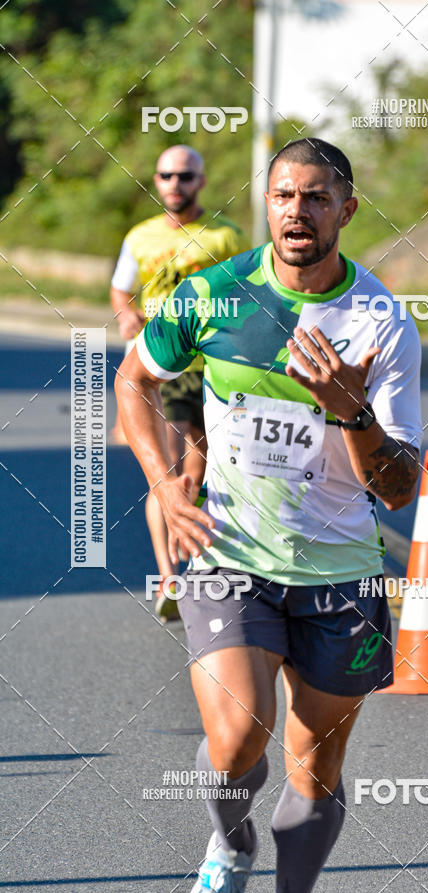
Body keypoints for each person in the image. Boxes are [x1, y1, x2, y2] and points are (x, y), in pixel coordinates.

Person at [115, 137, 422, 893]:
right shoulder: (213, 295)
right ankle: (230, 841)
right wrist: (165, 483)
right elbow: (134, 380)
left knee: (315, 768)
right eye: (285, 194)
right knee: (235, 739)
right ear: (266, 204)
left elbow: (399, 490)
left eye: (317, 197)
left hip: (340, 573)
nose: (298, 210)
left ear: (345, 210)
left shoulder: (382, 321)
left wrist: (352, 413)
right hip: (231, 556)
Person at [110, 144, 243, 620]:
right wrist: (127, 317)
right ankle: (168, 575)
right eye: (166, 175)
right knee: (162, 472)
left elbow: (245, 294)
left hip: (208, 366)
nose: (175, 184)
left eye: (185, 176)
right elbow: (120, 289)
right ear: (156, 180)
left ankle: (200, 561)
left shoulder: (226, 237)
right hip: (155, 367)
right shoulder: (139, 237)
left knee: (199, 471)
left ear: (201, 182)